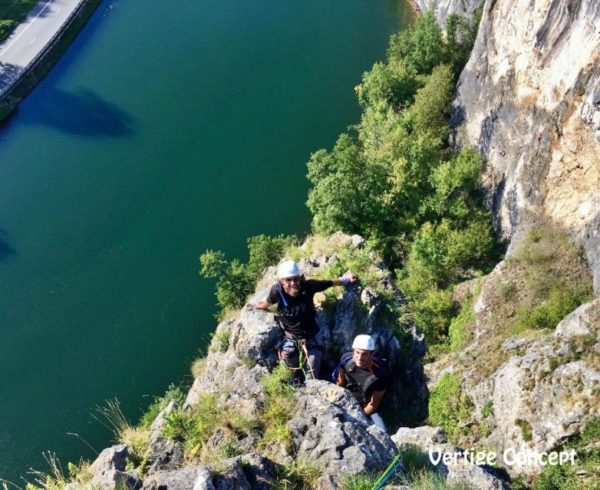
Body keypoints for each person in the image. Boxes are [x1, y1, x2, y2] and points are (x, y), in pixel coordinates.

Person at [255, 259, 358, 381]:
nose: (293, 283)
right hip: (290, 338)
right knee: (290, 374)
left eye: (296, 279)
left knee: (312, 376)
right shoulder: (277, 291)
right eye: (288, 280)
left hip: (312, 337)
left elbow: (328, 283)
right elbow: (268, 302)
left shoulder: (308, 286)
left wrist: (346, 280)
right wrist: (260, 305)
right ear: (281, 281)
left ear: (300, 277)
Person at [334, 334, 388, 432]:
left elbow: (373, 404)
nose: (359, 357)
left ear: (371, 355)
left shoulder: (380, 375)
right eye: (357, 353)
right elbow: (340, 383)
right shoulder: (345, 360)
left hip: (365, 408)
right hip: (346, 400)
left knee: (382, 431)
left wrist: (359, 417)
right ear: (353, 351)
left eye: (364, 354)